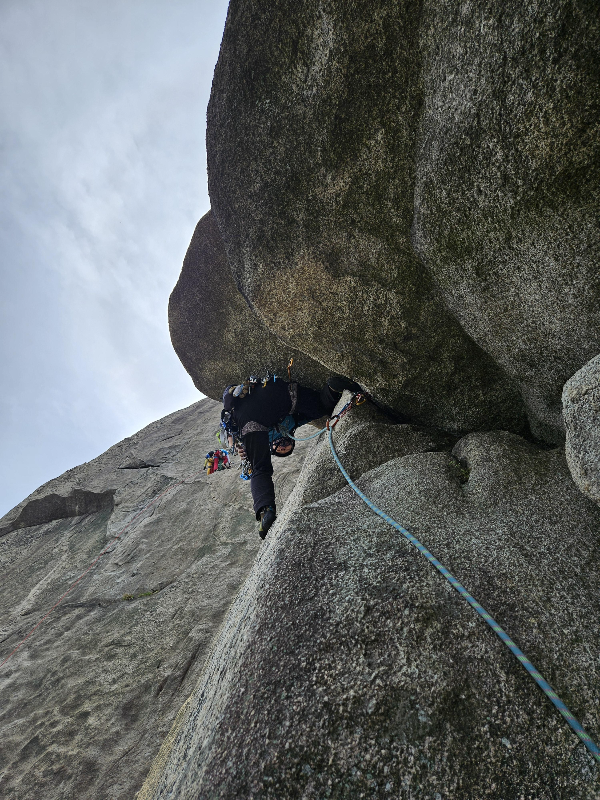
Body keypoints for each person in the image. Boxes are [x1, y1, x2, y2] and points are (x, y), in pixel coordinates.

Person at [222, 375, 361, 538]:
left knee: (259, 468)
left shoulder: (258, 440)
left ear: (271, 448)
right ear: (292, 440)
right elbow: (313, 412)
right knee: (320, 408)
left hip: (253, 411)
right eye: (286, 448)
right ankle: (333, 388)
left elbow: (245, 464)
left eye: (280, 449)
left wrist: (238, 447)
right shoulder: (294, 423)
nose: (282, 446)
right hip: (277, 396)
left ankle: (265, 511)